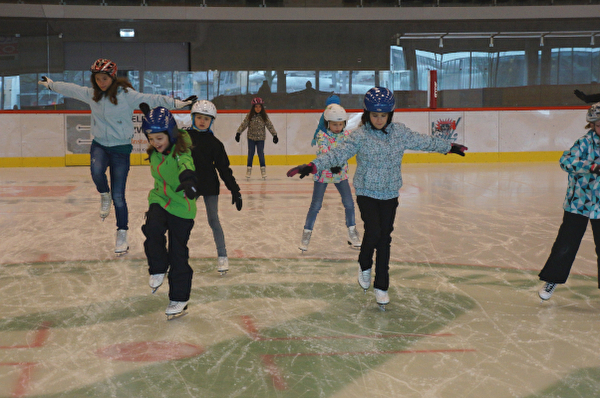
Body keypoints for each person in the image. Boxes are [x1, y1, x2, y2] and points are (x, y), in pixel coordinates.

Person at [287, 87, 467, 310]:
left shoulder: (399, 133)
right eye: (374, 115)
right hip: (367, 192)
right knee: (373, 232)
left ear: (390, 114)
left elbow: (424, 142)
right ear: (366, 114)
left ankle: (381, 285)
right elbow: (337, 154)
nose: (379, 119)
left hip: (390, 192)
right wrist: (313, 166)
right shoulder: (360, 136)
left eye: (383, 115)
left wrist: (448, 147)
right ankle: (364, 265)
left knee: (385, 239)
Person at [37, 58, 196, 255]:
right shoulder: (92, 95)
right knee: (96, 172)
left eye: (104, 78)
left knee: (119, 196)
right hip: (100, 144)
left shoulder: (126, 95)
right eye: (97, 79)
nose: (101, 82)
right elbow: (72, 89)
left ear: (112, 77)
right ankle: (104, 194)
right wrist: (52, 85)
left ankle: (122, 232)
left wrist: (178, 103)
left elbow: (152, 98)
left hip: (121, 149)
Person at [139, 104, 198, 320]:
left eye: (159, 139)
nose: (155, 143)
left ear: (171, 135)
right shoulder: (155, 153)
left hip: (182, 206)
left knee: (178, 253)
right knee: (152, 227)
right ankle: (157, 267)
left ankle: (179, 297)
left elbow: (186, 164)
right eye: (151, 139)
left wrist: (189, 179)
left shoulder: (180, 151)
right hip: (160, 199)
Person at [538, 103, 600, 302]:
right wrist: (590, 166)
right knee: (566, 244)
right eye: (598, 124)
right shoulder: (584, 143)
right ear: (591, 125)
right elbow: (565, 161)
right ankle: (552, 279)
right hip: (578, 205)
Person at [184, 100, 243, 276]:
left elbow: (224, 169)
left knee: (213, 220)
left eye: (206, 119)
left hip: (209, 184)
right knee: (183, 220)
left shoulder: (216, 144)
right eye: (199, 117)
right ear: (193, 118)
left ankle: (222, 255)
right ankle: (176, 255)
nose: (202, 121)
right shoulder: (183, 138)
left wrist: (235, 189)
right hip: (189, 184)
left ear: (212, 121)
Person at [298, 103, 360, 253]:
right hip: (323, 175)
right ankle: (306, 235)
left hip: (340, 175)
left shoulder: (346, 136)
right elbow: (324, 151)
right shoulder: (322, 136)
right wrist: (331, 165)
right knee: (316, 206)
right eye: (334, 124)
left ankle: (352, 233)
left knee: (349, 204)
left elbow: (354, 144)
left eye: (340, 124)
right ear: (327, 123)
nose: (337, 127)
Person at [235, 97, 278, 179]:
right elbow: (244, 124)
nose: (258, 109)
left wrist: (274, 135)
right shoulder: (250, 116)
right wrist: (238, 133)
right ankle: (249, 169)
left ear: (262, 107)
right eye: (256, 107)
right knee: (250, 153)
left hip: (261, 138)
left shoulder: (264, 116)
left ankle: (263, 170)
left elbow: (269, 125)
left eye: (259, 107)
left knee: (260, 153)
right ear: (253, 107)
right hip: (251, 138)